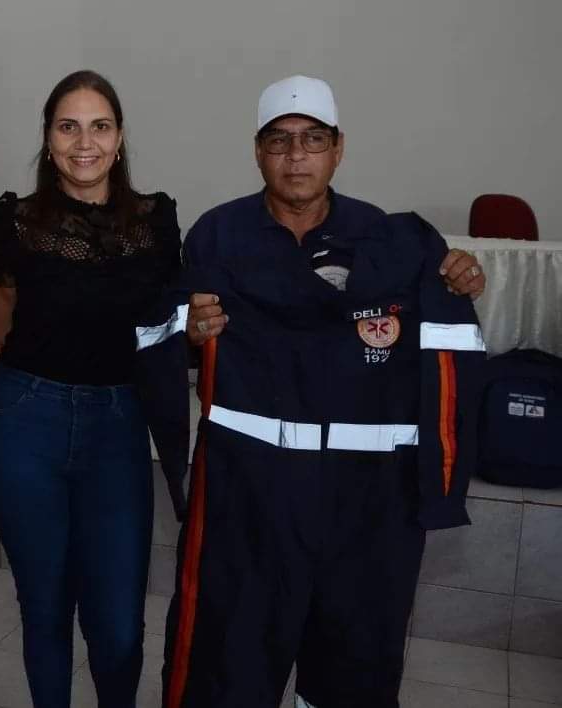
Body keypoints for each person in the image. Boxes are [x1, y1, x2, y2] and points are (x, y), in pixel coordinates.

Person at [161, 75, 487, 708]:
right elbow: (169, 334)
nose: (296, 156)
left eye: (313, 139)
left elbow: (444, 350)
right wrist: (189, 332)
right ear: (257, 152)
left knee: (355, 666)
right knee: (229, 657)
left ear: (338, 149)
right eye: (279, 141)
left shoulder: (393, 241)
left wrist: (457, 279)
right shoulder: (217, 234)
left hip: (368, 498)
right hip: (248, 491)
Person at [0, 69, 196, 708]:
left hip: (118, 426)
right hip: (23, 422)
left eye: (99, 126)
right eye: (68, 127)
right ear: (48, 138)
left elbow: (174, 330)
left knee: (118, 627)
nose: (84, 142)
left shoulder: (157, 221)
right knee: (46, 608)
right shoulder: (15, 221)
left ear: (119, 138)